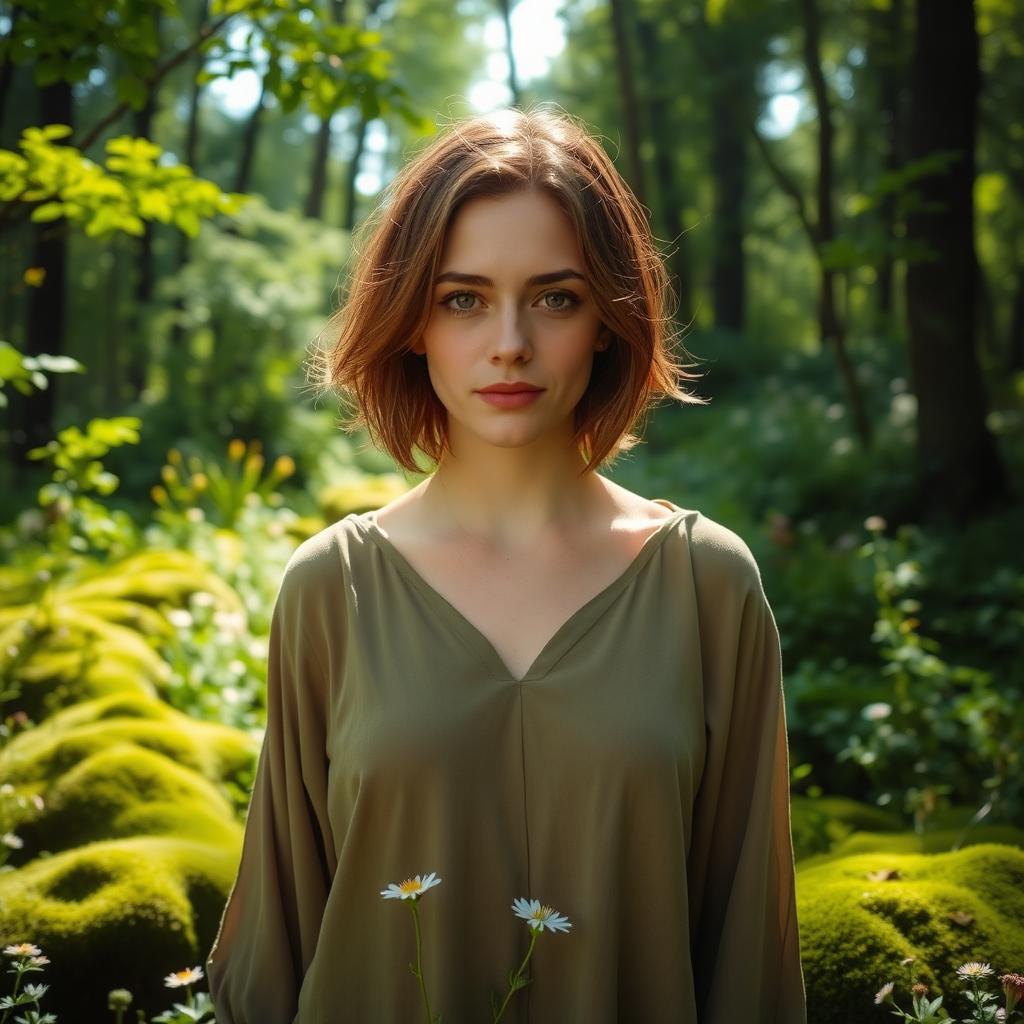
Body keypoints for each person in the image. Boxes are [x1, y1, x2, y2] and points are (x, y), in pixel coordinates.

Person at [204, 105, 807, 1023]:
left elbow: (750, 954)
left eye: (556, 297)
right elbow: (278, 936)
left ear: (608, 318)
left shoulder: (707, 587)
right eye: (464, 298)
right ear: (413, 323)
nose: (511, 342)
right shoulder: (334, 587)